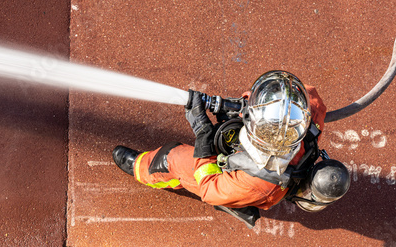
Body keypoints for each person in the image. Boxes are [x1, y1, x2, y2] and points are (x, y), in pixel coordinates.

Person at [113, 70, 350, 228]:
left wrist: (203, 133)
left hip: (246, 185)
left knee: (172, 157)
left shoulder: (260, 183)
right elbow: (305, 95)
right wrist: (244, 102)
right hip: (254, 162)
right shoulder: (304, 118)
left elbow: (209, 189)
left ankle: (140, 168)